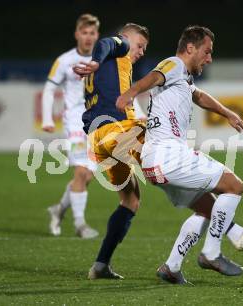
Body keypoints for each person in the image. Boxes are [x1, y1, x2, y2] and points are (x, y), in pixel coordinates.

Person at [115, 25, 243, 284]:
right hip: (168, 155)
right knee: (234, 186)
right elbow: (154, 76)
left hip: (155, 162)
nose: (209, 58)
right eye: (207, 52)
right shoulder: (174, 64)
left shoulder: (183, 77)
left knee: (207, 210)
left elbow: (198, 95)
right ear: (190, 48)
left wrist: (227, 113)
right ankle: (211, 253)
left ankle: (171, 267)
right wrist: (130, 94)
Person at [73, 23, 149, 279]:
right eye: (140, 46)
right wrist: (95, 61)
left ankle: (100, 265)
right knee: (164, 135)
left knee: (130, 201)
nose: (140, 52)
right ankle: (224, 224)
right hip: (115, 131)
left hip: (98, 140)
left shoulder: (113, 67)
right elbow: (106, 42)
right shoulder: (119, 46)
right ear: (127, 38)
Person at [42, 14, 100, 239]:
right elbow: (49, 88)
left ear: (97, 35)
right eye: (84, 32)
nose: (88, 37)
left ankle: (58, 210)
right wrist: (47, 119)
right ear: (77, 34)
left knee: (87, 177)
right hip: (75, 121)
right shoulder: (65, 60)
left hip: (96, 123)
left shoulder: (102, 58)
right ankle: (80, 224)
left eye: (92, 33)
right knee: (81, 171)